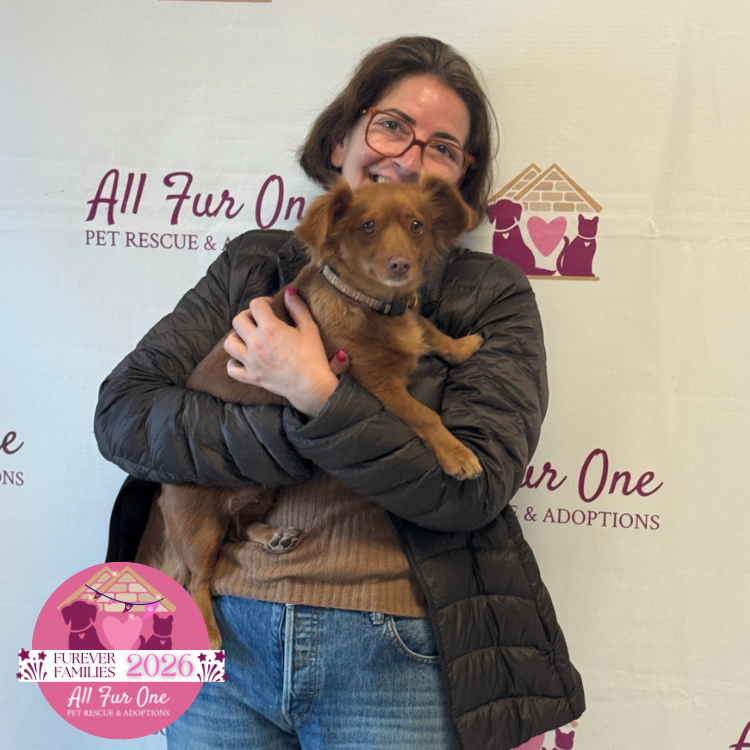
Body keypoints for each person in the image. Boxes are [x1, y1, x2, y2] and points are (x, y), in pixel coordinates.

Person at [95, 36, 584, 750]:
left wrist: (320, 393)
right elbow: (126, 415)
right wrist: (288, 427)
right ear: (339, 140)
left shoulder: (491, 295)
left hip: (395, 650)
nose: (409, 157)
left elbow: (473, 488)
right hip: (221, 640)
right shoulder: (252, 264)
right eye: (391, 125)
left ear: (459, 183)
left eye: (443, 147)